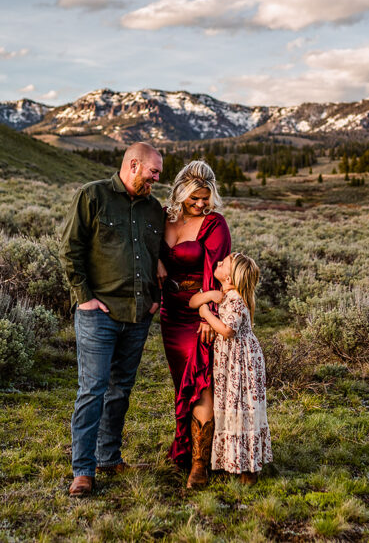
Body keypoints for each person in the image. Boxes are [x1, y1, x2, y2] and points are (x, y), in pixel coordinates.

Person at [58, 142, 165, 497]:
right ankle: (83, 471)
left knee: (121, 391)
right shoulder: (93, 197)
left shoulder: (154, 209)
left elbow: (160, 259)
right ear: (133, 165)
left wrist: (154, 302)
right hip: (98, 315)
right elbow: (70, 249)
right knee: (93, 390)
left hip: (138, 315)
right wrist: (84, 298)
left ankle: (108, 457)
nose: (156, 179)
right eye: (153, 172)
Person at [159, 160, 231, 489]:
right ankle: (184, 451)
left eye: (206, 197)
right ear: (181, 193)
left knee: (202, 383)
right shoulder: (165, 218)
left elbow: (215, 270)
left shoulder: (215, 224)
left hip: (200, 314)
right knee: (181, 384)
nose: (201, 204)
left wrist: (209, 314)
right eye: (195, 198)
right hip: (169, 314)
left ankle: (200, 464)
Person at [190, 252, 272, 485]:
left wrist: (205, 313)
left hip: (242, 362)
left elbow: (227, 330)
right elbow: (192, 302)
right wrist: (206, 296)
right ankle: (235, 460)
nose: (217, 263)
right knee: (231, 405)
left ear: (231, 278)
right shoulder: (223, 294)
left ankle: (249, 466)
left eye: (223, 263)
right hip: (231, 362)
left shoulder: (236, 300)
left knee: (244, 407)